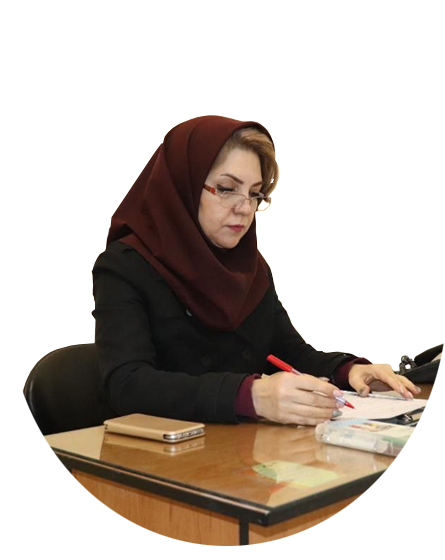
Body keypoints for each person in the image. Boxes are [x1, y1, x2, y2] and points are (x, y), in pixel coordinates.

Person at [92, 115, 420, 426]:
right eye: (226, 188)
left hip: (242, 448)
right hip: (161, 453)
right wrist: (250, 396)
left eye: (254, 193)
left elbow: (288, 353)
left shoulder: (249, 266)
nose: (244, 208)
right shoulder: (125, 265)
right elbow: (127, 384)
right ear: (182, 185)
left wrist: (348, 371)